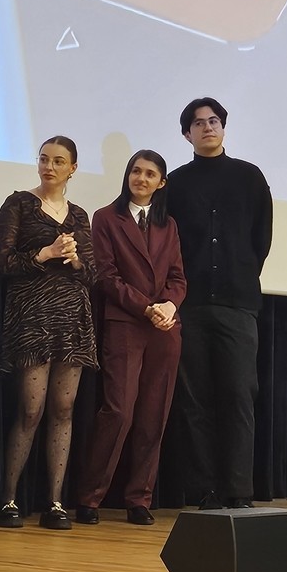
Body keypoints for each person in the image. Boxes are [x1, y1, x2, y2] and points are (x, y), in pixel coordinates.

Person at [165, 97, 273, 509]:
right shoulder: (175, 183)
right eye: (198, 123)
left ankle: (238, 489)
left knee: (239, 396)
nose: (208, 127)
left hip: (237, 303)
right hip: (190, 305)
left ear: (223, 128)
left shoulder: (249, 177)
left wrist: (240, 273)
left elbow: (260, 239)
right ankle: (204, 489)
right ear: (186, 134)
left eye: (214, 121)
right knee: (195, 400)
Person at [76, 150, 186, 526]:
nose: (141, 178)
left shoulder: (168, 225)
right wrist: (147, 308)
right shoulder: (106, 217)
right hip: (125, 323)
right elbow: (106, 276)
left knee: (154, 414)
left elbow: (178, 277)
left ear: (161, 183)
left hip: (164, 329)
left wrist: (169, 305)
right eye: (136, 171)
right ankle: (90, 497)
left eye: (150, 174)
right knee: (118, 411)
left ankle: (139, 497)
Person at [0, 136, 95, 530]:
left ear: (73, 168)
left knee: (64, 410)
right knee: (31, 410)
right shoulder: (19, 203)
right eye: (43, 159)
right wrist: (45, 254)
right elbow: (3, 261)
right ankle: (8, 499)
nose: (49, 167)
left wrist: (74, 259)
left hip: (72, 322)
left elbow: (92, 274)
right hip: (31, 319)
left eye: (58, 161)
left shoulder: (80, 215)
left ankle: (55, 502)